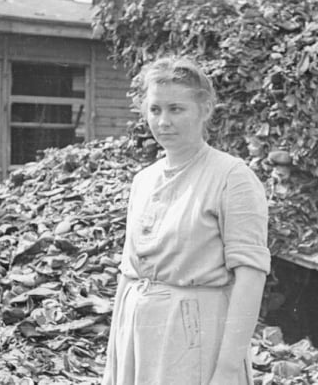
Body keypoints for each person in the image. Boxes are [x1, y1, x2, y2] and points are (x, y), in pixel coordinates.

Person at [102, 57, 271, 385]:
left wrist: (226, 371)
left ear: (205, 109)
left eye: (176, 109)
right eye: (155, 110)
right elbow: (127, 274)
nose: (163, 121)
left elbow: (250, 277)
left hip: (193, 339)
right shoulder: (143, 180)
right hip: (137, 336)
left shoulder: (232, 177)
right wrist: (115, 363)